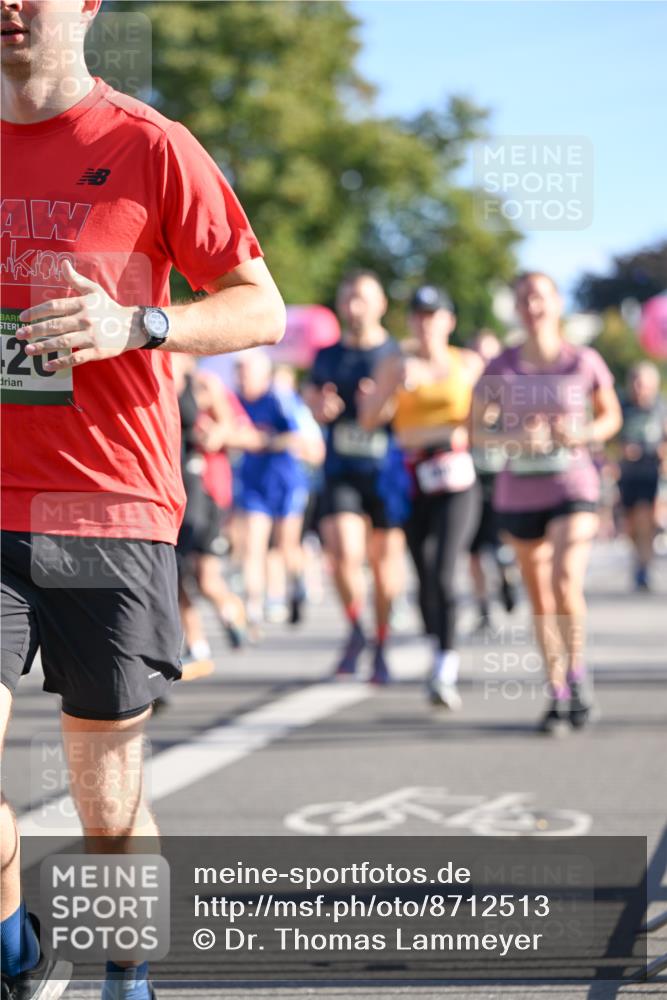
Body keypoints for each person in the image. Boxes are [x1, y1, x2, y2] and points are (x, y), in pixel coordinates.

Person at [0, 3, 285, 997]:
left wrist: (140, 323)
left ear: (85, 6)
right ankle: (16, 951)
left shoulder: (148, 145)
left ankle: (126, 971)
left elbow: (262, 305)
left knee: (107, 804)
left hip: (107, 509)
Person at [472, 272, 621, 734]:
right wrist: (518, 437)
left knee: (564, 578)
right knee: (539, 596)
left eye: (538, 296)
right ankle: (556, 691)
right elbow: (476, 430)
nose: (531, 305)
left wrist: (582, 434)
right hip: (519, 491)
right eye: (522, 299)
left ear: (556, 304)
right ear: (516, 310)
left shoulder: (584, 361)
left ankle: (577, 674)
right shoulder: (500, 367)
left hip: (573, 486)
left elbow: (610, 416)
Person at [360, 285, 483, 708]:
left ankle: (445, 665)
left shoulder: (467, 363)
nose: (426, 322)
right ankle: (437, 645)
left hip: (455, 475)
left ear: (449, 321)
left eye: (434, 314)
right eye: (418, 315)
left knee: (445, 569)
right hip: (411, 477)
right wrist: (393, 387)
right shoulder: (394, 363)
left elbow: (488, 418)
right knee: (424, 572)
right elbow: (368, 419)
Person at [304, 270, 409, 684]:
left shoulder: (394, 354)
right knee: (343, 554)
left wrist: (391, 400)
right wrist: (319, 406)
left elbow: (415, 409)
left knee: (384, 568)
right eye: (347, 297)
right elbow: (311, 397)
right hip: (341, 467)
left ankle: (381, 641)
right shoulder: (327, 355)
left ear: (381, 303)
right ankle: (356, 629)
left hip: (386, 471)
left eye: (362, 297)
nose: (354, 305)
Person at [174, 354, 267, 666]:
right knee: (173, 573)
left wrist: (214, 434)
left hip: (209, 489)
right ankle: (196, 644)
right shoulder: (153, 379)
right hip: (174, 490)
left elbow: (237, 429)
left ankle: (233, 613)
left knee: (206, 577)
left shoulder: (205, 385)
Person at [235, 351, 317, 639]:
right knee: (253, 547)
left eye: (247, 372)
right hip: (254, 483)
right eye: (238, 371)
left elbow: (300, 438)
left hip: (286, 482)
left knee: (286, 547)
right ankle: (253, 609)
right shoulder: (236, 400)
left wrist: (267, 441)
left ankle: (298, 583)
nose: (242, 378)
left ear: (263, 374)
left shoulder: (279, 398)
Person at [467, 330, 519, 630]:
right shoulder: (463, 390)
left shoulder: (510, 392)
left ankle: (507, 578)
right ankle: (483, 607)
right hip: (471, 480)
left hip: (503, 480)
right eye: (479, 354)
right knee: (473, 551)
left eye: (490, 355)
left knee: (502, 545)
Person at [616, 361, 667, 591]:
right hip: (626, 474)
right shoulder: (621, 406)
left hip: (652, 473)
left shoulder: (661, 408)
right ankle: (639, 559)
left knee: (646, 519)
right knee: (630, 525)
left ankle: (643, 569)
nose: (639, 388)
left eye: (644, 383)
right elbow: (609, 436)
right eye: (635, 382)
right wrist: (620, 450)